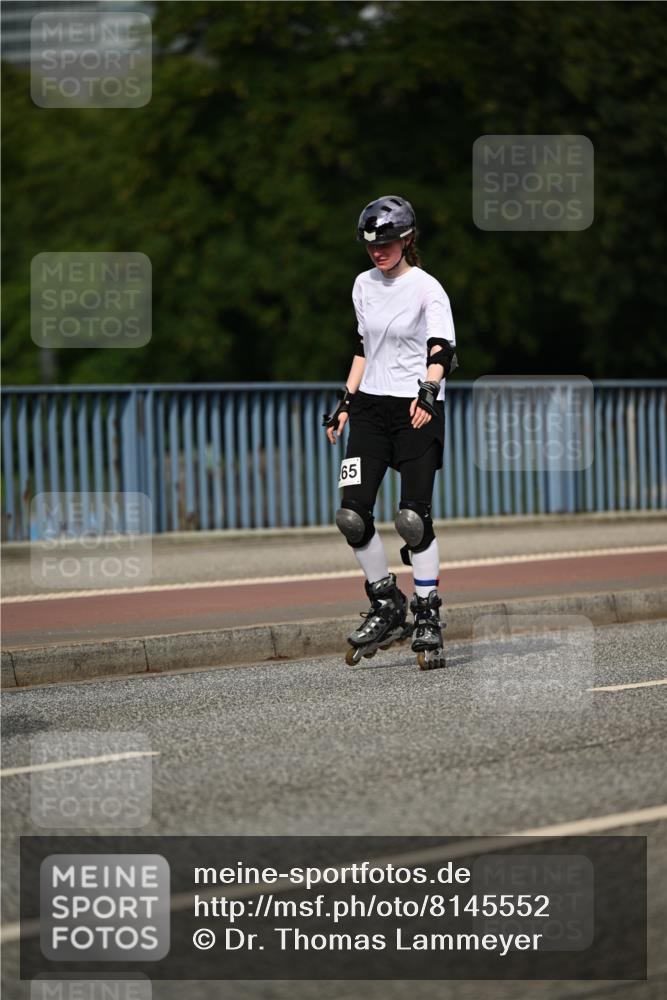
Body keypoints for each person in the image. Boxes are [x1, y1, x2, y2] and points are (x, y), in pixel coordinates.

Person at [323, 196, 458, 669]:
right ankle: (386, 604)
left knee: (411, 519)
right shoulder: (363, 286)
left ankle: (426, 614)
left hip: (416, 409)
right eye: (371, 245)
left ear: (406, 239)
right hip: (371, 411)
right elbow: (363, 346)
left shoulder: (427, 289)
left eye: (386, 243)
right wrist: (344, 403)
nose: (378, 252)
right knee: (351, 516)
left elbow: (441, 349)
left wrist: (426, 392)